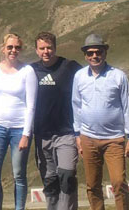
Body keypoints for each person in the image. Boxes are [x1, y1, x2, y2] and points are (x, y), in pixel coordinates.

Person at [72, 34, 129, 210]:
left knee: (118, 182)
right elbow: (76, 105)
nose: (94, 56)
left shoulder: (118, 76)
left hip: (114, 139)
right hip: (88, 138)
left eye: (98, 52)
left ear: (105, 52)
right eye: (90, 53)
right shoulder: (79, 77)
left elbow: (127, 107)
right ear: (85, 55)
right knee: (92, 184)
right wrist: (77, 135)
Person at [0, 33, 38, 210]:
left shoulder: (28, 71)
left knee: (19, 174)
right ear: (3, 48)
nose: (13, 50)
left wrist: (26, 134)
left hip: (19, 130)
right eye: (10, 47)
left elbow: (31, 105)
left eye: (17, 47)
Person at [31, 32, 82, 210]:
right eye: (42, 48)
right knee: (50, 180)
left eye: (49, 47)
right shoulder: (31, 70)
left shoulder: (69, 66)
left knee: (67, 175)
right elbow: (10, 81)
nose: (46, 51)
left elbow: (91, 77)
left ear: (55, 48)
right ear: (36, 50)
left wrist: (124, 86)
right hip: (42, 135)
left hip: (66, 132)